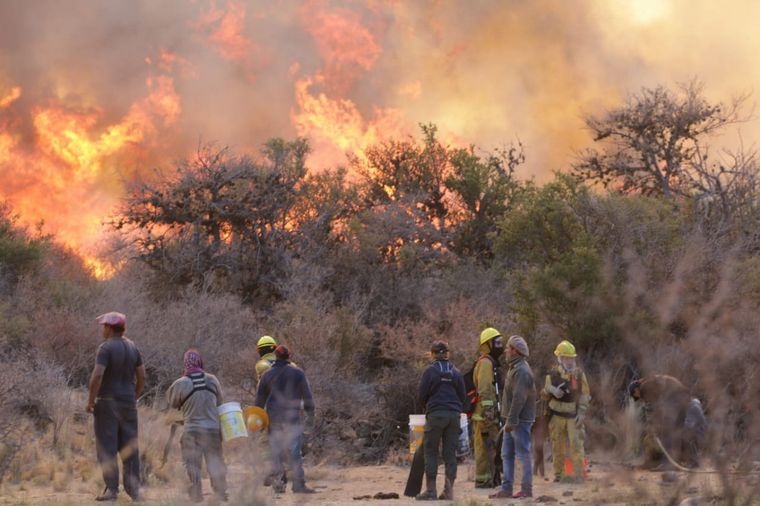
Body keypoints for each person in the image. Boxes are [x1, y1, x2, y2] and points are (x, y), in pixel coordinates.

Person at [86, 312, 145, 502]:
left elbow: (97, 376)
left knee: (107, 447)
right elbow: (142, 376)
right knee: (130, 447)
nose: (102, 329)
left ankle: (112, 490)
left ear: (110, 328)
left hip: (107, 403)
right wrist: (133, 396)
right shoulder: (133, 347)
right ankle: (134, 491)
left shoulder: (106, 348)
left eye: (104, 326)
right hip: (128, 404)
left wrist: (90, 400)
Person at [167, 349, 228, 503]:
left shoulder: (180, 383)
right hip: (213, 430)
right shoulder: (213, 380)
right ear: (200, 361)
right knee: (215, 461)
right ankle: (220, 491)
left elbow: (173, 403)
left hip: (191, 431)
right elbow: (220, 403)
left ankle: (196, 491)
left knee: (192, 463)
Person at [255, 345, 316, 494]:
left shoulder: (267, 374)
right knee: (294, 452)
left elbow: (259, 400)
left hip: (273, 418)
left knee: (276, 452)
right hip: (292, 419)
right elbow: (307, 395)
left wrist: (259, 419)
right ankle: (298, 485)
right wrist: (310, 412)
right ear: (289, 356)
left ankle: (279, 484)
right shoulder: (298, 373)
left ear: (275, 357)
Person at [415, 341, 466, 501]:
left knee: (430, 451)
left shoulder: (430, 371)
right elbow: (463, 397)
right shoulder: (456, 372)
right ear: (447, 354)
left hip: (436, 414)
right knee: (450, 453)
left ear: (432, 354)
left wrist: (429, 408)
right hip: (454, 416)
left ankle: (431, 492)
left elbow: (421, 395)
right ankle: (449, 492)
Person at [490, 336, 536, 499]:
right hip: (512, 419)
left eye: (508, 348)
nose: (505, 350)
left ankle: (526, 489)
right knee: (506, 454)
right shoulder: (515, 367)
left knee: (523, 453)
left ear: (515, 351)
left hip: (519, 420)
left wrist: (511, 420)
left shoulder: (522, 371)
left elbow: (519, 398)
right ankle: (506, 489)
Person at [541, 340, 590, 483]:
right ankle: (560, 474)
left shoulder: (579, 375)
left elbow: (585, 395)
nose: (570, 361)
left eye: (572, 358)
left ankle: (579, 475)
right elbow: (543, 395)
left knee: (577, 445)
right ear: (560, 359)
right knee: (558, 446)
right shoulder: (552, 375)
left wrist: (582, 413)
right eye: (567, 358)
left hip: (573, 416)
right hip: (556, 416)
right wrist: (550, 390)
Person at [629, 375, 692, 469]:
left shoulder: (644, 388)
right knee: (676, 432)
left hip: (673, 398)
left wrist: (653, 425)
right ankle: (675, 461)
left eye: (636, 396)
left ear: (636, 390)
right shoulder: (650, 381)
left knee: (666, 431)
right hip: (684, 397)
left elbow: (652, 408)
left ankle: (667, 464)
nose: (639, 398)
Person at [472, 327, 504, 488]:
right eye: (497, 343)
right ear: (488, 345)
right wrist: (489, 411)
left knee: (493, 447)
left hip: (491, 415)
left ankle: (493, 477)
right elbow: (485, 388)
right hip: (484, 415)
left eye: (501, 342)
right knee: (484, 449)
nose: (500, 346)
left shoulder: (492, 363)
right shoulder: (485, 363)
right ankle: (483, 480)